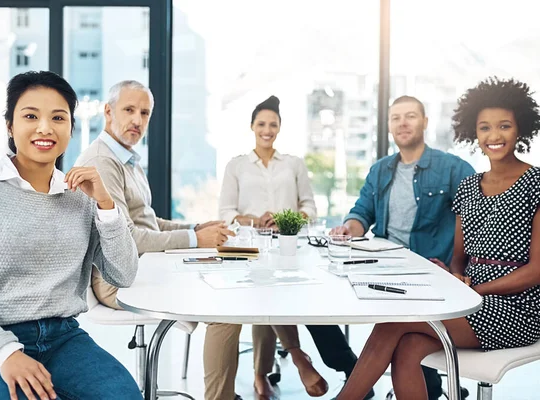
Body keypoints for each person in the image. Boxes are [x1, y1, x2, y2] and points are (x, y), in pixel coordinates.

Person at [333, 77, 540, 400]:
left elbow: (536, 271)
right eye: (485, 128)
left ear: (520, 129)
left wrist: (474, 289)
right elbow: (460, 257)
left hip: (517, 307)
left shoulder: (535, 183)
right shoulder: (469, 186)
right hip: (468, 297)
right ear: (475, 133)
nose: (494, 136)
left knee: (393, 324)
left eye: (504, 126)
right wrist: (453, 274)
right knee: (407, 348)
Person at [0, 71, 142, 399]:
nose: (45, 127)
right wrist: (6, 353)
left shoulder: (82, 196)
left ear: (70, 128)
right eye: (30, 116)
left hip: (64, 340)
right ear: (10, 125)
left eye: (58, 117)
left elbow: (123, 273)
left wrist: (106, 204)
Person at [213, 95, 365, 400]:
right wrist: (256, 220)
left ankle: (264, 375)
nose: (267, 129)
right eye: (261, 124)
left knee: (275, 291)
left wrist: (287, 219)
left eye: (273, 124)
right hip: (250, 249)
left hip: (290, 245)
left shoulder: (293, 164)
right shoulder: (237, 165)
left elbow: (310, 207)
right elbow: (225, 213)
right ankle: (293, 359)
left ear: (280, 127)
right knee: (266, 291)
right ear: (252, 127)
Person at [331, 95, 475, 399]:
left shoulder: (453, 168)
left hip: (431, 274)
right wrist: (349, 228)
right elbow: (362, 213)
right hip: (387, 271)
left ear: (424, 122)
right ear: (389, 127)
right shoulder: (380, 170)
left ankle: (425, 388)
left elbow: (475, 222)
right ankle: (429, 389)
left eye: (410, 116)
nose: (403, 123)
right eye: (395, 118)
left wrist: (460, 269)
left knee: (399, 327)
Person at [75, 80, 233, 310]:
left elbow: (147, 220)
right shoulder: (102, 161)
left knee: (223, 279)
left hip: (148, 265)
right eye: (129, 110)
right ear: (108, 112)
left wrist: (196, 228)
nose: (137, 121)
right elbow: (130, 237)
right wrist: (196, 239)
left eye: (144, 113)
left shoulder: (129, 159)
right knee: (220, 301)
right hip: (118, 281)